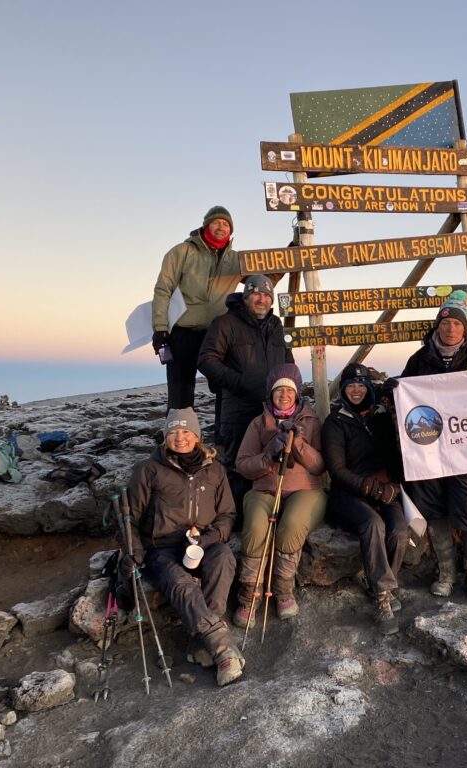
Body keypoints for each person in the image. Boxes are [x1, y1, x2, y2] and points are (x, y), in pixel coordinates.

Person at [124, 408, 243, 686]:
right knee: (180, 582)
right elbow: (128, 517)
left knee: (224, 559)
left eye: (186, 432)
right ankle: (224, 650)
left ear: (197, 436)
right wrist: (134, 551)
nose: (180, 438)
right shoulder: (148, 470)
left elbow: (228, 515)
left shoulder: (215, 470)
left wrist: (208, 538)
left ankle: (202, 642)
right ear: (165, 437)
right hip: (162, 548)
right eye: (174, 432)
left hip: (202, 543)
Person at [399, 292, 467, 601]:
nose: (450, 328)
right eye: (446, 322)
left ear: (465, 329)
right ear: (437, 326)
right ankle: (446, 572)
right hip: (427, 452)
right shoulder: (419, 359)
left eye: (457, 323)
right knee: (434, 510)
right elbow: (406, 401)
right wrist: (395, 391)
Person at [233, 364, 326, 627]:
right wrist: (267, 457)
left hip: (305, 491)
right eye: (278, 390)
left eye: (289, 390)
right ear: (271, 395)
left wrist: (297, 444)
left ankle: (283, 591)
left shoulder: (311, 420)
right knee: (254, 526)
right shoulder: (258, 423)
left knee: (292, 525)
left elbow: (320, 466)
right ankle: (250, 594)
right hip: (264, 490)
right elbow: (242, 464)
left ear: (297, 394)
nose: (283, 395)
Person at [322, 363, 409, 635]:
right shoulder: (335, 422)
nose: (356, 390)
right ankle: (383, 596)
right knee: (373, 524)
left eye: (361, 385)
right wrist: (372, 489)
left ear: (369, 387)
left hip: (384, 489)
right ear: (344, 389)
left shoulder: (381, 417)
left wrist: (394, 485)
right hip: (348, 495)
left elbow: (395, 456)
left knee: (399, 530)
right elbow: (337, 471)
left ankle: (384, 582)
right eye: (350, 385)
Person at [198, 275, 294, 511]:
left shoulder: (275, 326)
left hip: (272, 410)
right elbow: (207, 361)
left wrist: (293, 388)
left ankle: (264, 516)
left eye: (266, 295)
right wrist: (241, 382)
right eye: (256, 294)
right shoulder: (225, 324)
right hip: (237, 409)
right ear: (246, 296)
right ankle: (234, 520)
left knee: (269, 460)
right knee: (237, 466)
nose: (261, 299)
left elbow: (287, 361)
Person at [152, 205, 242, 410]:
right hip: (183, 332)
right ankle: (178, 439)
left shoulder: (236, 259)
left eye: (226, 224)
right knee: (180, 390)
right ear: (206, 225)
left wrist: (293, 253)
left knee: (224, 388)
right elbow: (163, 290)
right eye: (217, 222)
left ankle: (224, 438)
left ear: (231, 230)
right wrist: (160, 328)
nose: (221, 227)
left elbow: (262, 280)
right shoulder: (182, 252)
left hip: (217, 334)